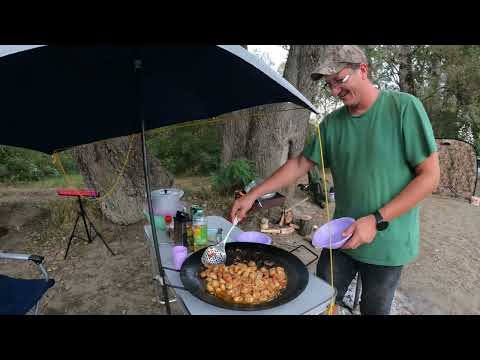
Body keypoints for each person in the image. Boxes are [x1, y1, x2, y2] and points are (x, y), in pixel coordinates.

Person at [230, 45, 440, 315]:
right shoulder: (332, 124)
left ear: (362, 70)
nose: (334, 91)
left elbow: (430, 177)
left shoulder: (404, 108)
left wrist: (376, 218)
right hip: (340, 236)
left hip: (389, 242)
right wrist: (252, 195)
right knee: (320, 301)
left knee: (374, 309)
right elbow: (300, 163)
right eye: (329, 85)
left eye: (339, 81)